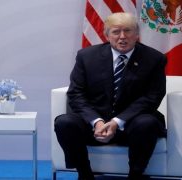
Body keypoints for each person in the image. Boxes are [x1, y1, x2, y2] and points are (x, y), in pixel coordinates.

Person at [54, 12, 166, 180]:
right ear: (106, 35)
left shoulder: (154, 58)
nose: (122, 37)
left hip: (131, 124)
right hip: (94, 125)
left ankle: (136, 175)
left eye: (128, 31)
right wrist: (97, 121)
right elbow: (76, 93)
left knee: (147, 123)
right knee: (64, 122)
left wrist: (116, 122)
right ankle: (84, 173)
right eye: (116, 32)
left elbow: (152, 96)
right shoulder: (86, 56)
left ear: (137, 34)